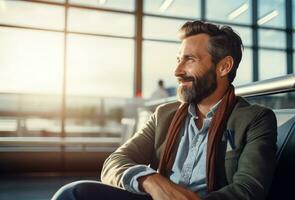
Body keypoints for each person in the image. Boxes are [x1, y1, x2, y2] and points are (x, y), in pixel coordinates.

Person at [52, 20, 277, 200]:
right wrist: (151, 181)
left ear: (224, 66)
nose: (177, 71)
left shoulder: (255, 119)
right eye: (179, 59)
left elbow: (249, 190)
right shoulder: (164, 115)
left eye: (189, 59)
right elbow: (116, 161)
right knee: (73, 193)